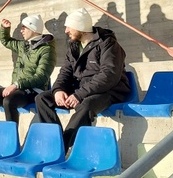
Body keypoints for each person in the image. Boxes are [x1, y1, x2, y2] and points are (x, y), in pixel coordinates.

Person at [33, 8, 130, 151]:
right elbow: (65, 72)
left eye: (69, 27)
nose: (66, 31)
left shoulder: (108, 44)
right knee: (42, 99)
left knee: (86, 104)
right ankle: (55, 141)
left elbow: (109, 75)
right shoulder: (74, 46)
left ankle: (61, 147)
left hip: (109, 91)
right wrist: (58, 90)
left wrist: (79, 95)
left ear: (81, 28)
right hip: (81, 90)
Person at [0, 15, 56, 133]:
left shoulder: (46, 49)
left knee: (8, 102)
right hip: (16, 89)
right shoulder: (23, 45)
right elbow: (6, 41)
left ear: (33, 29)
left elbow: (41, 77)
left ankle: (11, 139)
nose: (21, 30)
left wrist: (17, 84)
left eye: (24, 27)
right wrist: (5, 29)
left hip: (33, 90)